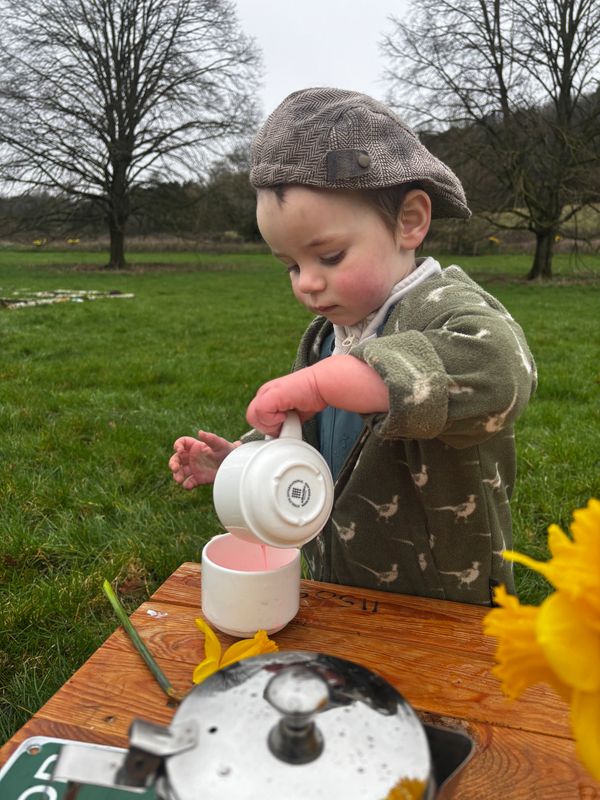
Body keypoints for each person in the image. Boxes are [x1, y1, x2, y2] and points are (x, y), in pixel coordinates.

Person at [169, 87, 536, 605]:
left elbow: (504, 375)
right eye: (292, 266)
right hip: (341, 579)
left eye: (331, 256)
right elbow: (311, 441)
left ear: (409, 221)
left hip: (444, 597)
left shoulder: (446, 307)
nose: (308, 284)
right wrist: (243, 463)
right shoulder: (326, 337)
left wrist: (334, 380)